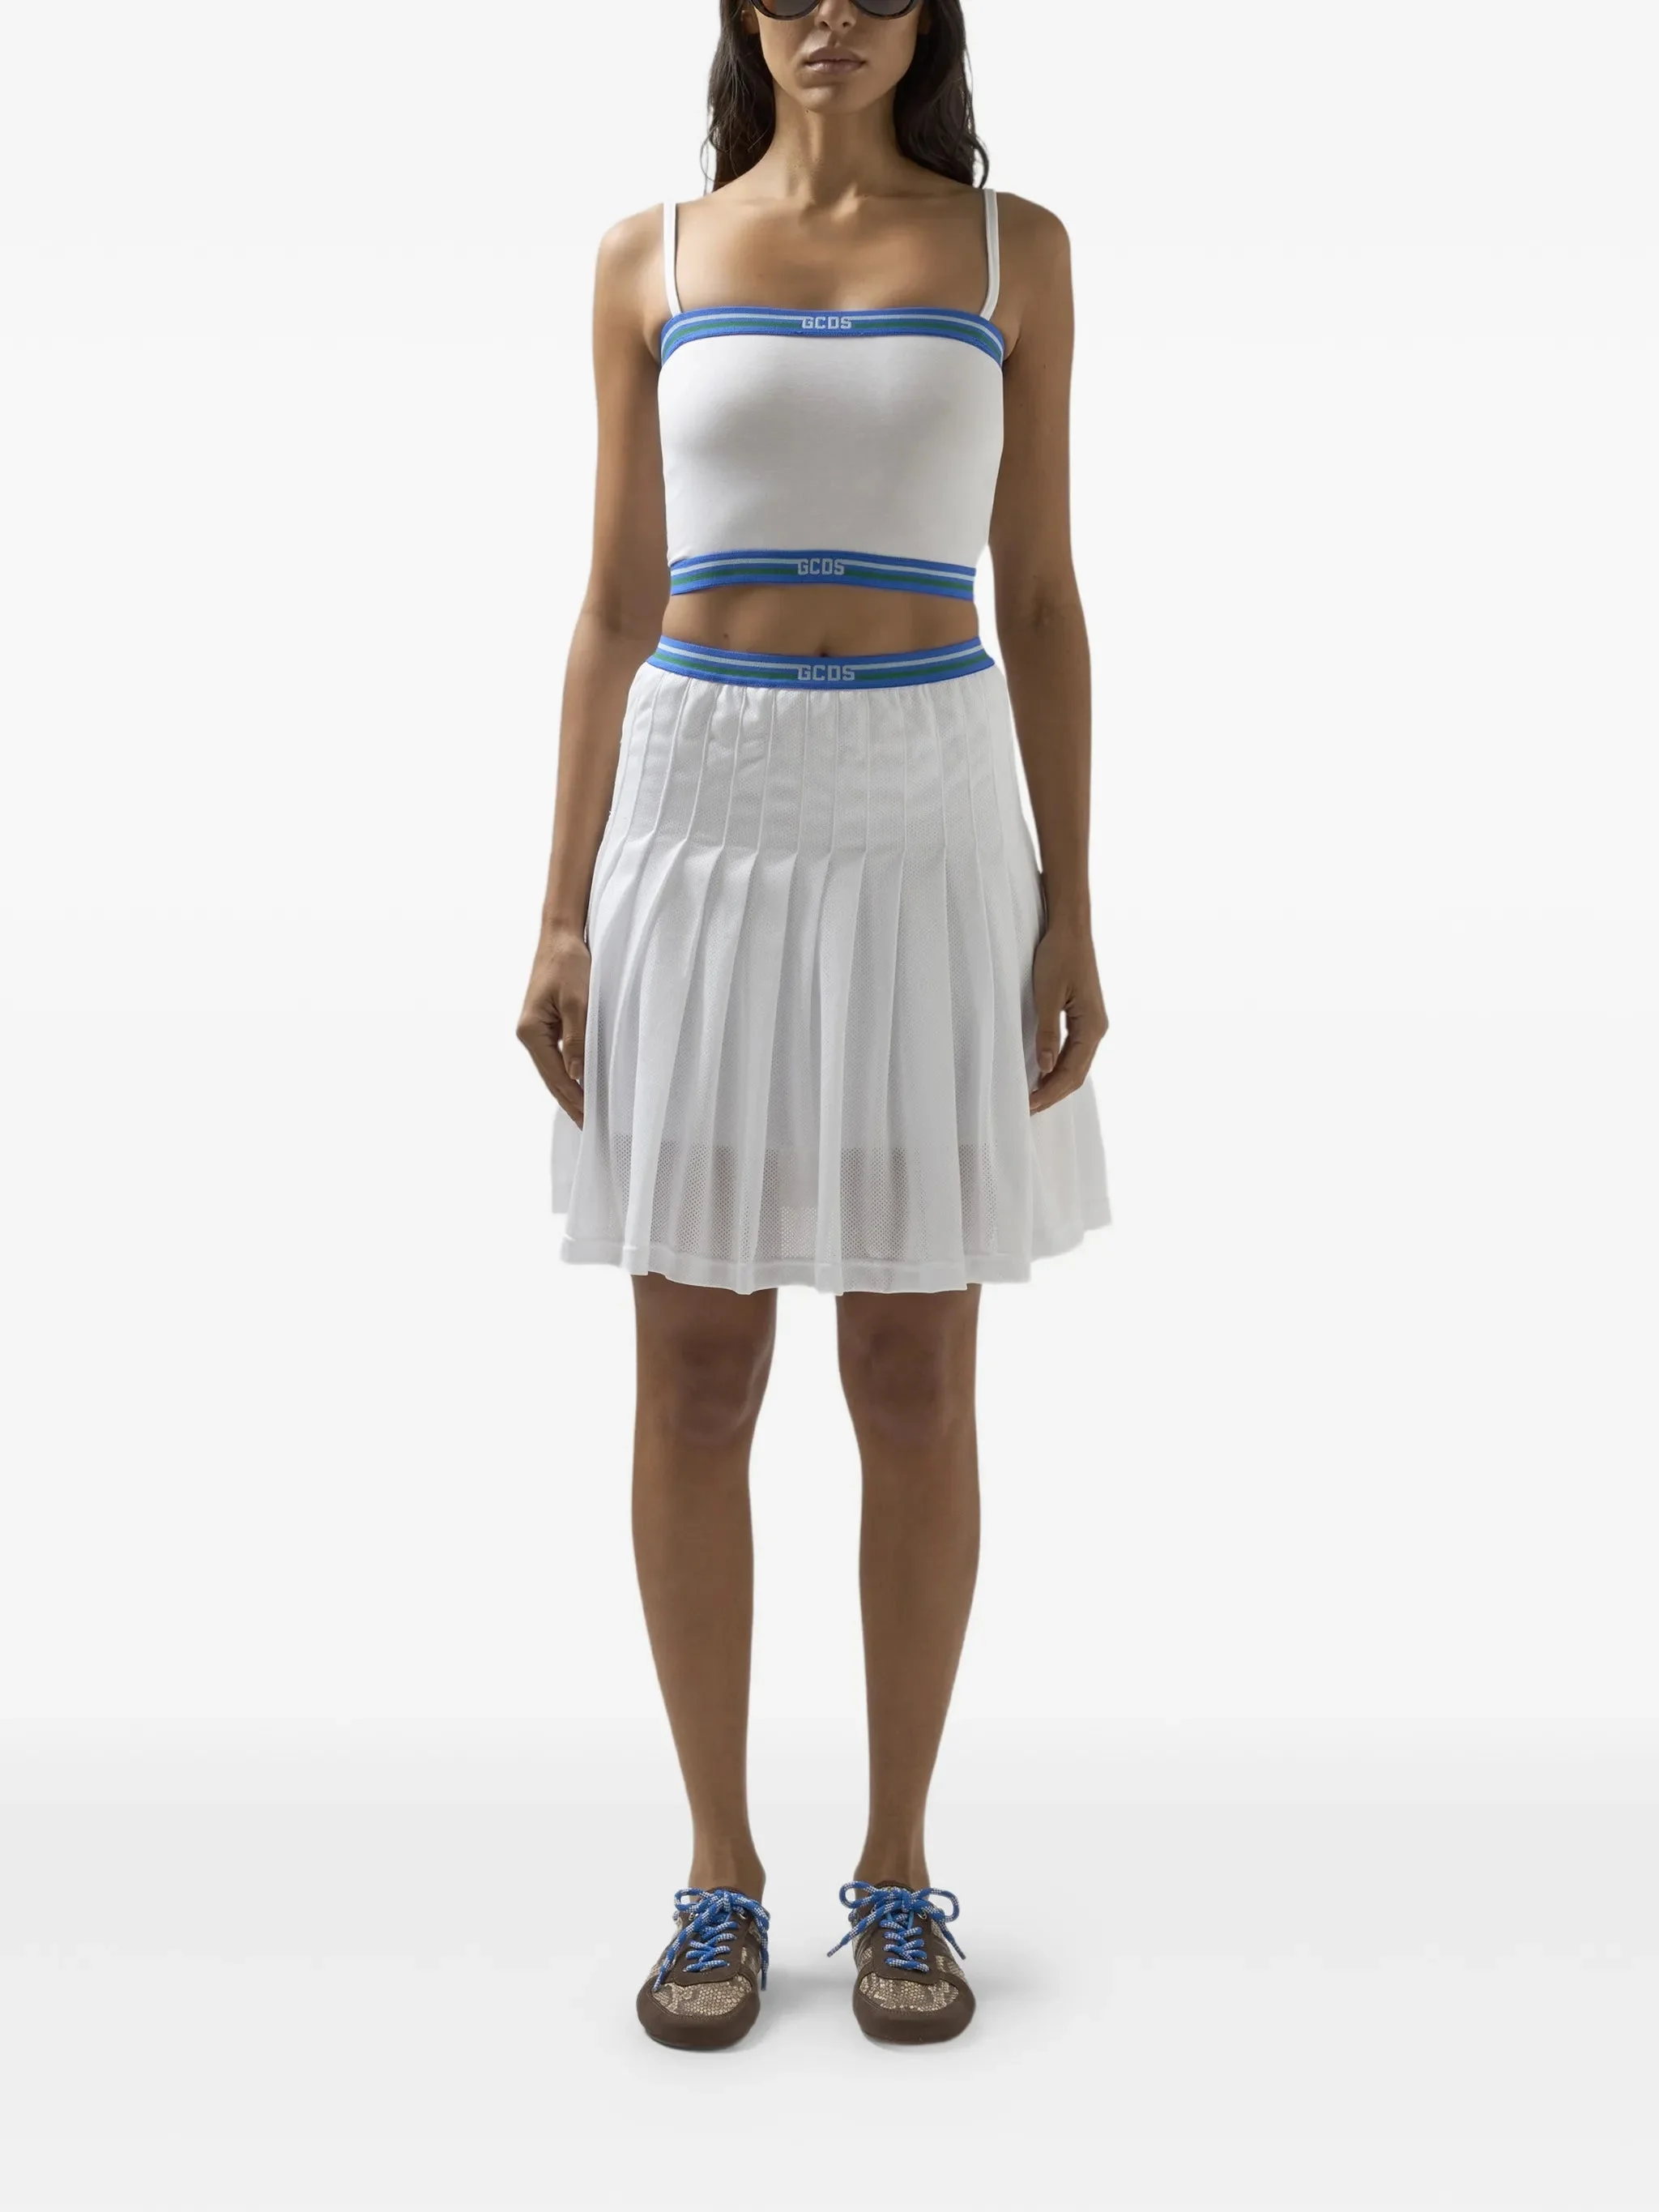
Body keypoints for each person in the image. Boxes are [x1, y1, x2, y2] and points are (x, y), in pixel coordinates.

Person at [517, 0, 1111, 2050]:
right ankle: (717, 1873)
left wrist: (1072, 899)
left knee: (910, 1364)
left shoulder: (1015, 251)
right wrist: (559, 909)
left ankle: (897, 1870)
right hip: (700, 812)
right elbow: (612, 604)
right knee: (694, 1359)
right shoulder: (651, 257)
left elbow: (1041, 593)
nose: (831, 17)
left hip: (929, 822)